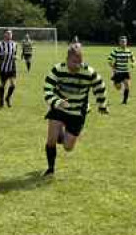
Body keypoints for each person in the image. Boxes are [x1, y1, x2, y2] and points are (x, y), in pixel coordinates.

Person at [42, 42, 109, 176]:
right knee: (51, 140)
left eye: (80, 62)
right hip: (59, 108)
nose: (77, 65)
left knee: (68, 147)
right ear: (67, 59)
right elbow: (47, 89)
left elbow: (100, 86)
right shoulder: (58, 70)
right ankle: (50, 169)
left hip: (78, 112)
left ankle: (61, 134)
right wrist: (57, 101)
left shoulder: (88, 72)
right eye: (74, 62)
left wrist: (102, 105)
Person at [107, 35, 136, 105]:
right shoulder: (115, 51)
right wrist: (113, 67)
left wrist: (133, 64)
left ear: (126, 42)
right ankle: (116, 82)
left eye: (125, 42)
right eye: (122, 42)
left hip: (126, 71)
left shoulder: (129, 51)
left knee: (127, 86)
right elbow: (109, 60)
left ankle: (124, 101)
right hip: (118, 72)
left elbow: (134, 59)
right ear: (119, 43)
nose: (124, 43)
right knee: (118, 88)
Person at [0, 29, 18, 108]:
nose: (10, 35)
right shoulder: (0, 44)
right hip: (3, 68)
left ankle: (7, 98)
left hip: (12, 68)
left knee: (13, 85)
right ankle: (1, 101)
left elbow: (14, 54)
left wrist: (15, 57)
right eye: (8, 33)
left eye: (11, 34)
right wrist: (0, 56)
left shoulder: (15, 44)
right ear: (4, 35)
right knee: (2, 85)